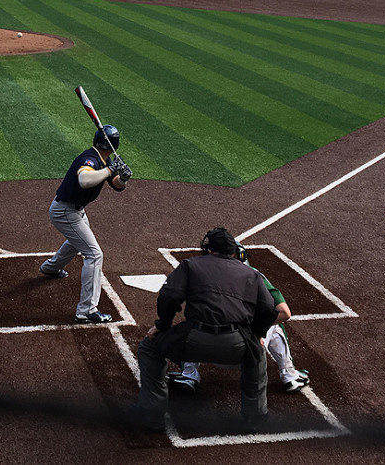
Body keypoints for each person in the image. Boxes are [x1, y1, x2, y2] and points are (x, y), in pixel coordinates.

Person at [128, 227, 278, 433]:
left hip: (194, 339)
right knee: (257, 354)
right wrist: (258, 334)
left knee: (149, 348)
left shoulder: (191, 265)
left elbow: (170, 296)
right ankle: (256, 418)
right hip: (235, 343)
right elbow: (269, 309)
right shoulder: (251, 274)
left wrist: (162, 325)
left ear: (209, 249)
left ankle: (151, 414)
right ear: (233, 252)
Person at [40, 124, 131, 324]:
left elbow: (116, 185)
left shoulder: (104, 160)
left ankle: (51, 268)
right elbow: (84, 179)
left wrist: (122, 178)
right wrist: (110, 169)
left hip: (76, 210)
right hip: (65, 212)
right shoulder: (90, 159)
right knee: (94, 254)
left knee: (76, 243)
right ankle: (86, 310)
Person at [169, 271, 310, 395]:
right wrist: (257, 331)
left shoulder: (203, 272)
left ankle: (189, 374)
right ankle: (289, 375)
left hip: (206, 349)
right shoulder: (254, 275)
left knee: (196, 319)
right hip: (243, 351)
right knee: (272, 321)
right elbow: (285, 313)